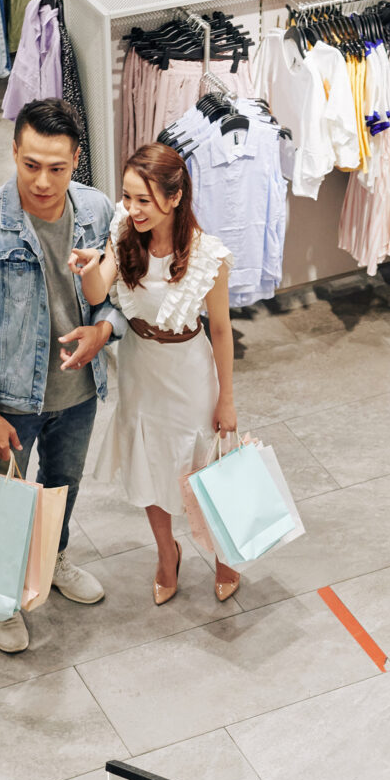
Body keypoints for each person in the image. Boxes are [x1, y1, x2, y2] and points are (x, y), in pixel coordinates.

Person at [0, 98, 121, 653]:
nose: (42, 181)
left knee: (62, 486)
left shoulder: (97, 212)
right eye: (30, 165)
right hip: (14, 399)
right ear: (14, 153)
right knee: (3, 498)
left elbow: (120, 299)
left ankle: (53, 559)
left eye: (57, 167)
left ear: (76, 160)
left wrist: (104, 331)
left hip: (78, 390)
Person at [69, 143, 243, 605]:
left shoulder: (208, 256)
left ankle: (226, 555)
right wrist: (88, 267)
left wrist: (226, 398)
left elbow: (222, 332)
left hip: (188, 370)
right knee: (149, 464)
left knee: (204, 467)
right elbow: (96, 290)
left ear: (175, 196)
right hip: (140, 368)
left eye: (143, 200)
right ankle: (167, 555)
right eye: (127, 197)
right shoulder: (123, 232)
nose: (132, 209)